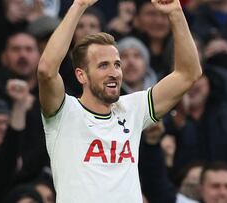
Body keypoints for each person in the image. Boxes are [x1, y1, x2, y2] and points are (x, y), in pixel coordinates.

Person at [37, 0, 201, 202]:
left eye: (117, 65)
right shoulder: (63, 113)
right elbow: (46, 71)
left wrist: (176, 12)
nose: (114, 73)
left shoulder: (132, 109)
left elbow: (189, 74)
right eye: (103, 66)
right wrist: (78, 6)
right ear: (81, 75)